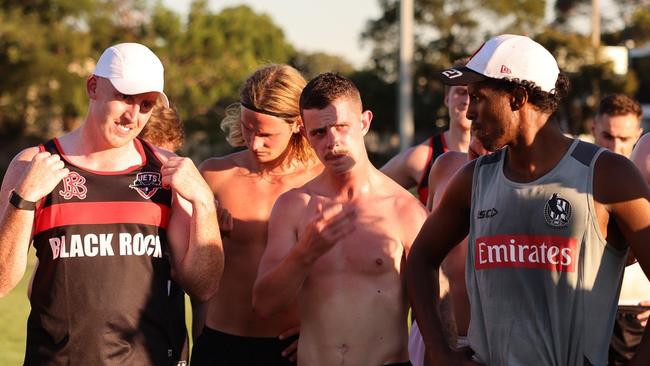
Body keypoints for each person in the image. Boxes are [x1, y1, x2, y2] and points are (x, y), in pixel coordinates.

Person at [406, 34, 650, 366]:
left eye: (478, 97)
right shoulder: (473, 180)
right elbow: (420, 259)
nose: (470, 114)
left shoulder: (607, 175)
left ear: (518, 98)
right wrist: (438, 349)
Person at [0, 42, 224, 365]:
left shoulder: (166, 171)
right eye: (125, 98)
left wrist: (203, 201)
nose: (133, 116)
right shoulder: (33, 165)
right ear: (93, 86)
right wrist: (22, 200)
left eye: (146, 105)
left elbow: (203, 287)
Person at [253, 72, 427, 365]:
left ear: (364, 122)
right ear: (306, 134)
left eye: (341, 127)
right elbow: (264, 305)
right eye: (319, 132)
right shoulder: (294, 206)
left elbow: (435, 309)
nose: (332, 142)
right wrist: (306, 253)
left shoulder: (405, 209)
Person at [192, 64, 322, 366]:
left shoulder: (321, 181)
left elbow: (352, 270)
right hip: (220, 343)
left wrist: (322, 328)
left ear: (297, 124)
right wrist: (208, 237)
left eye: (265, 134)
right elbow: (187, 270)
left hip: (292, 348)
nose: (254, 142)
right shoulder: (214, 174)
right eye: (248, 128)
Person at [408, 135, 488, 366]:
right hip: (434, 337)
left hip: (494, 344)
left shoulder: (529, 179)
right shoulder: (445, 166)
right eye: (475, 99)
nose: (474, 112)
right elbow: (423, 259)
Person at [381, 60, 471, 204]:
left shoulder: (502, 155)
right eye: (461, 92)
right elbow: (368, 188)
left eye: (473, 94)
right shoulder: (423, 156)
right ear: (447, 99)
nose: (467, 100)